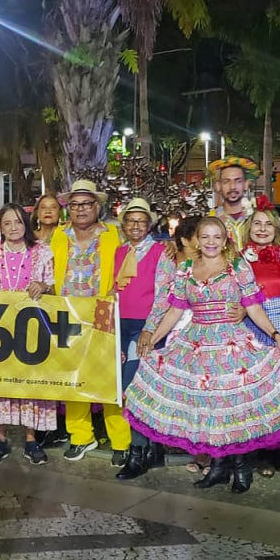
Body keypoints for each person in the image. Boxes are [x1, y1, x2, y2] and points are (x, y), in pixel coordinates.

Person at [128, 216, 280, 492]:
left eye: (217, 237)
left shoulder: (237, 266)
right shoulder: (186, 268)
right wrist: (153, 336)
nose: (211, 242)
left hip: (230, 343)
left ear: (225, 241)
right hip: (196, 343)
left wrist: (276, 335)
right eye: (205, 237)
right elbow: (175, 310)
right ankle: (219, 468)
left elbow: (254, 307)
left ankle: (241, 468)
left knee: (232, 409)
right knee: (208, 409)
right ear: (197, 239)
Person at [50, 180, 132, 464]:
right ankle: (81, 436)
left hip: (104, 314)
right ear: (68, 209)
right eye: (74, 205)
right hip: (68, 315)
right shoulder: (59, 236)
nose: (80, 209)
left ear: (97, 206)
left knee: (110, 378)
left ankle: (121, 440)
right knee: (74, 377)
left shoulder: (114, 234)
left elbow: (132, 265)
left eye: (86, 204)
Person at [0, 205, 57, 465]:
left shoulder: (42, 251)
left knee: (29, 383)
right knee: (1, 383)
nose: (14, 228)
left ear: (26, 224)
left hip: (32, 328)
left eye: (18, 222)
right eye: (8, 223)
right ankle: (0, 438)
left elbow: (55, 287)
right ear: (0, 226)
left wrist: (44, 286)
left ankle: (31, 439)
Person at [239, 195, 280, 477]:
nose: (263, 229)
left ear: (277, 229)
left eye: (268, 224)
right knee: (256, 393)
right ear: (248, 227)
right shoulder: (238, 258)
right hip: (252, 329)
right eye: (257, 224)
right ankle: (258, 452)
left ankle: (278, 448)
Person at [113, 199, 172, 481]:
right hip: (121, 326)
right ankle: (153, 447)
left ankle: (137, 454)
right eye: (130, 221)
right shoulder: (119, 251)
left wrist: (149, 330)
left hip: (145, 329)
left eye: (141, 221)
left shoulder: (161, 252)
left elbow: (163, 294)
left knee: (133, 388)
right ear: (123, 226)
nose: (135, 226)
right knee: (136, 389)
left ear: (149, 225)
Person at [208, 157, 257, 246]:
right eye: (226, 181)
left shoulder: (260, 218)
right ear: (218, 186)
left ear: (246, 184)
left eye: (238, 181)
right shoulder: (210, 220)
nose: (232, 187)